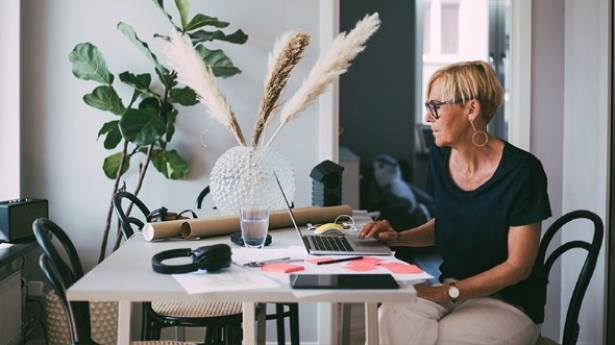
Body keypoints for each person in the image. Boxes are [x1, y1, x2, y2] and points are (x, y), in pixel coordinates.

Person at [358, 60, 551, 345]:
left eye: (435, 106)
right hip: (453, 288)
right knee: (390, 313)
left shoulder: (522, 171)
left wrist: (445, 293)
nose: (427, 117)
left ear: (471, 109)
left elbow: (518, 266)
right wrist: (398, 238)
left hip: (508, 302)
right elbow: (449, 224)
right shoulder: (442, 156)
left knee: (443, 338)